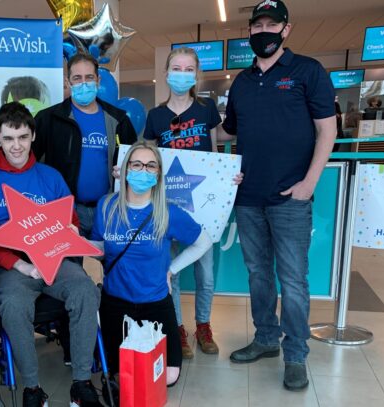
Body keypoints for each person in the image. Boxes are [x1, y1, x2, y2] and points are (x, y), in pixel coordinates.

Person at [219, 0, 337, 391]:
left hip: (291, 198)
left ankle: (297, 354)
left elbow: (328, 131)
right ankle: (266, 338)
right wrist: (180, 128)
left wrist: (309, 184)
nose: (263, 31)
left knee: (293, 280)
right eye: (257, 25)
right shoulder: (242, 81)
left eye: (271, 24)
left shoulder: (308, 71)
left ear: (286, 29)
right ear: (249, 31)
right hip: (249, 198)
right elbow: (226, 131)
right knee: (258, 275)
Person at [0, 102, 103, 407]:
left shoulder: (50, 177)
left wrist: (72, 232)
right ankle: (32, 388)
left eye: (22, 136)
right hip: (12, 268)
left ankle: (82, 383)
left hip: (54, 261)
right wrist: (20, 265)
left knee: (86, 291)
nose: (16, 146)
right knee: (13, 304)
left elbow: (71, 221)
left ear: (33, 135)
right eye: (8, 138)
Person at [90, 141, 212, 395]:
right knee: (120, 376)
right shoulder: (106, 206)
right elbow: (100, 247)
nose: (142, 170)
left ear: (158, 174)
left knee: (168, 377)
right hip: (115, 303)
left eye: (150, 165)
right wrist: (72, 240)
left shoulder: (168, 213)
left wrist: (172, 270)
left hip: (156, 303)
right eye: (136, 164)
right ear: (125, 170)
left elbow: (203, 242)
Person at [143, 46, 231, 359]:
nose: (182, 74)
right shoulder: (156, 116)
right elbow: (147, 159)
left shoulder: (206, 110)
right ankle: (177, 328)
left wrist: (228, 180)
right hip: (168, 205)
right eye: (176, 68)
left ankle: (203, 325)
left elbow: (217, 155)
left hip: (204, 205)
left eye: (188, 69)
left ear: (195, 74)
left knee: (205, 272)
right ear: (166, 74)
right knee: (173, 271)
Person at [33, 53, 137, 238]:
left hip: (108, 209)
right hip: (65, 210)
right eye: (77, 78)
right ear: (68, 81)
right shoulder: (48, 119)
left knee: (114, 264)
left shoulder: (119, 120)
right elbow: (29, 162)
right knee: (71, 266)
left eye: (89, 77)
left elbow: (137, 162)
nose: (84, 83)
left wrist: (128, 173)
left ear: (98, 79)